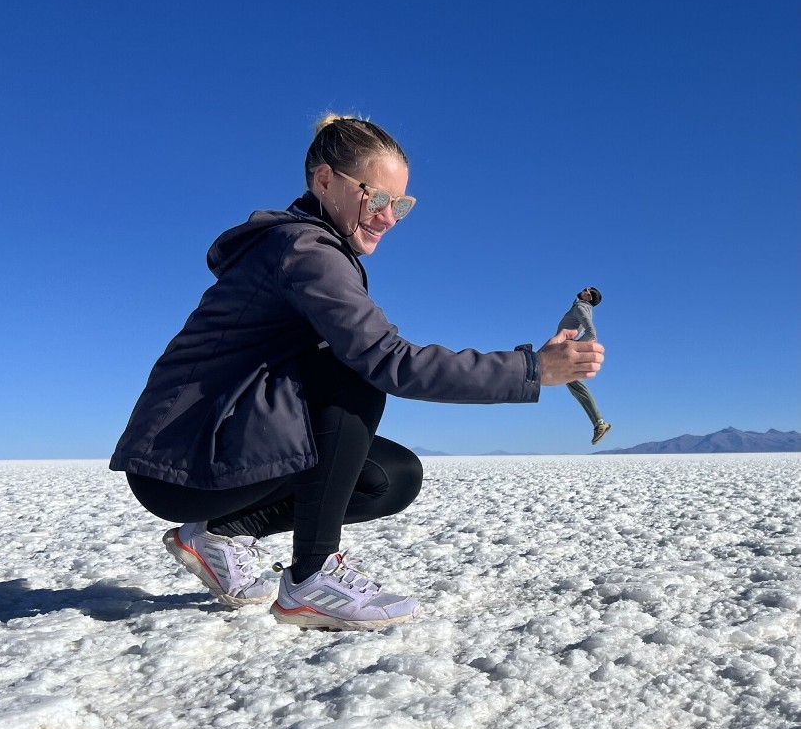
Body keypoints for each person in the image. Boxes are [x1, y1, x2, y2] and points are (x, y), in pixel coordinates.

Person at [110, 114, 605, 631]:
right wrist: (530, 369)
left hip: (210, 454)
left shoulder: (310, 250)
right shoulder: (304, 251)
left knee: (390, 479)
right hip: (183, 461)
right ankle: (310, 579)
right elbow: (389, 360)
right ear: (325, 180)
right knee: (356, 370)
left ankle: (219, 534)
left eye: (402, 205)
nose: (390, 216)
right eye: (378, 198)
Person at [556, 287, 612, 445]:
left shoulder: (581, 307)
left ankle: (599, 423)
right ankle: (599, 423)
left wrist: (573, 349)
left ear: (589, 298)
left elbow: (591, 332)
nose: (585, 289)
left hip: (564, 353)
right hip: (561, 352)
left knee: (576, 387)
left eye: (589, 291)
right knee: (576, 389)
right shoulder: (580, 306)